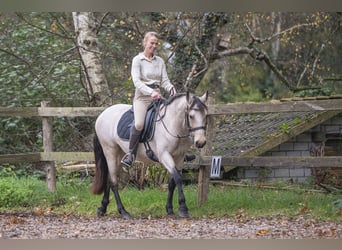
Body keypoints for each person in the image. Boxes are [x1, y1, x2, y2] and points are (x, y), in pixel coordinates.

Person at [121, 31, 177, 168]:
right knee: (139, 124)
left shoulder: (160, 61)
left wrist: (171, 88)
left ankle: (178, 151)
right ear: (145, 43)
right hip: (142, 98)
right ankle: (130, 155)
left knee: (173, 118)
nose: (154, 45)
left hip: (158, 96)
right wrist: (150, 92)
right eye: (152, 43)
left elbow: (164, 80)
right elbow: (136, 82)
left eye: (156, 43)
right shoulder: (137, 60)